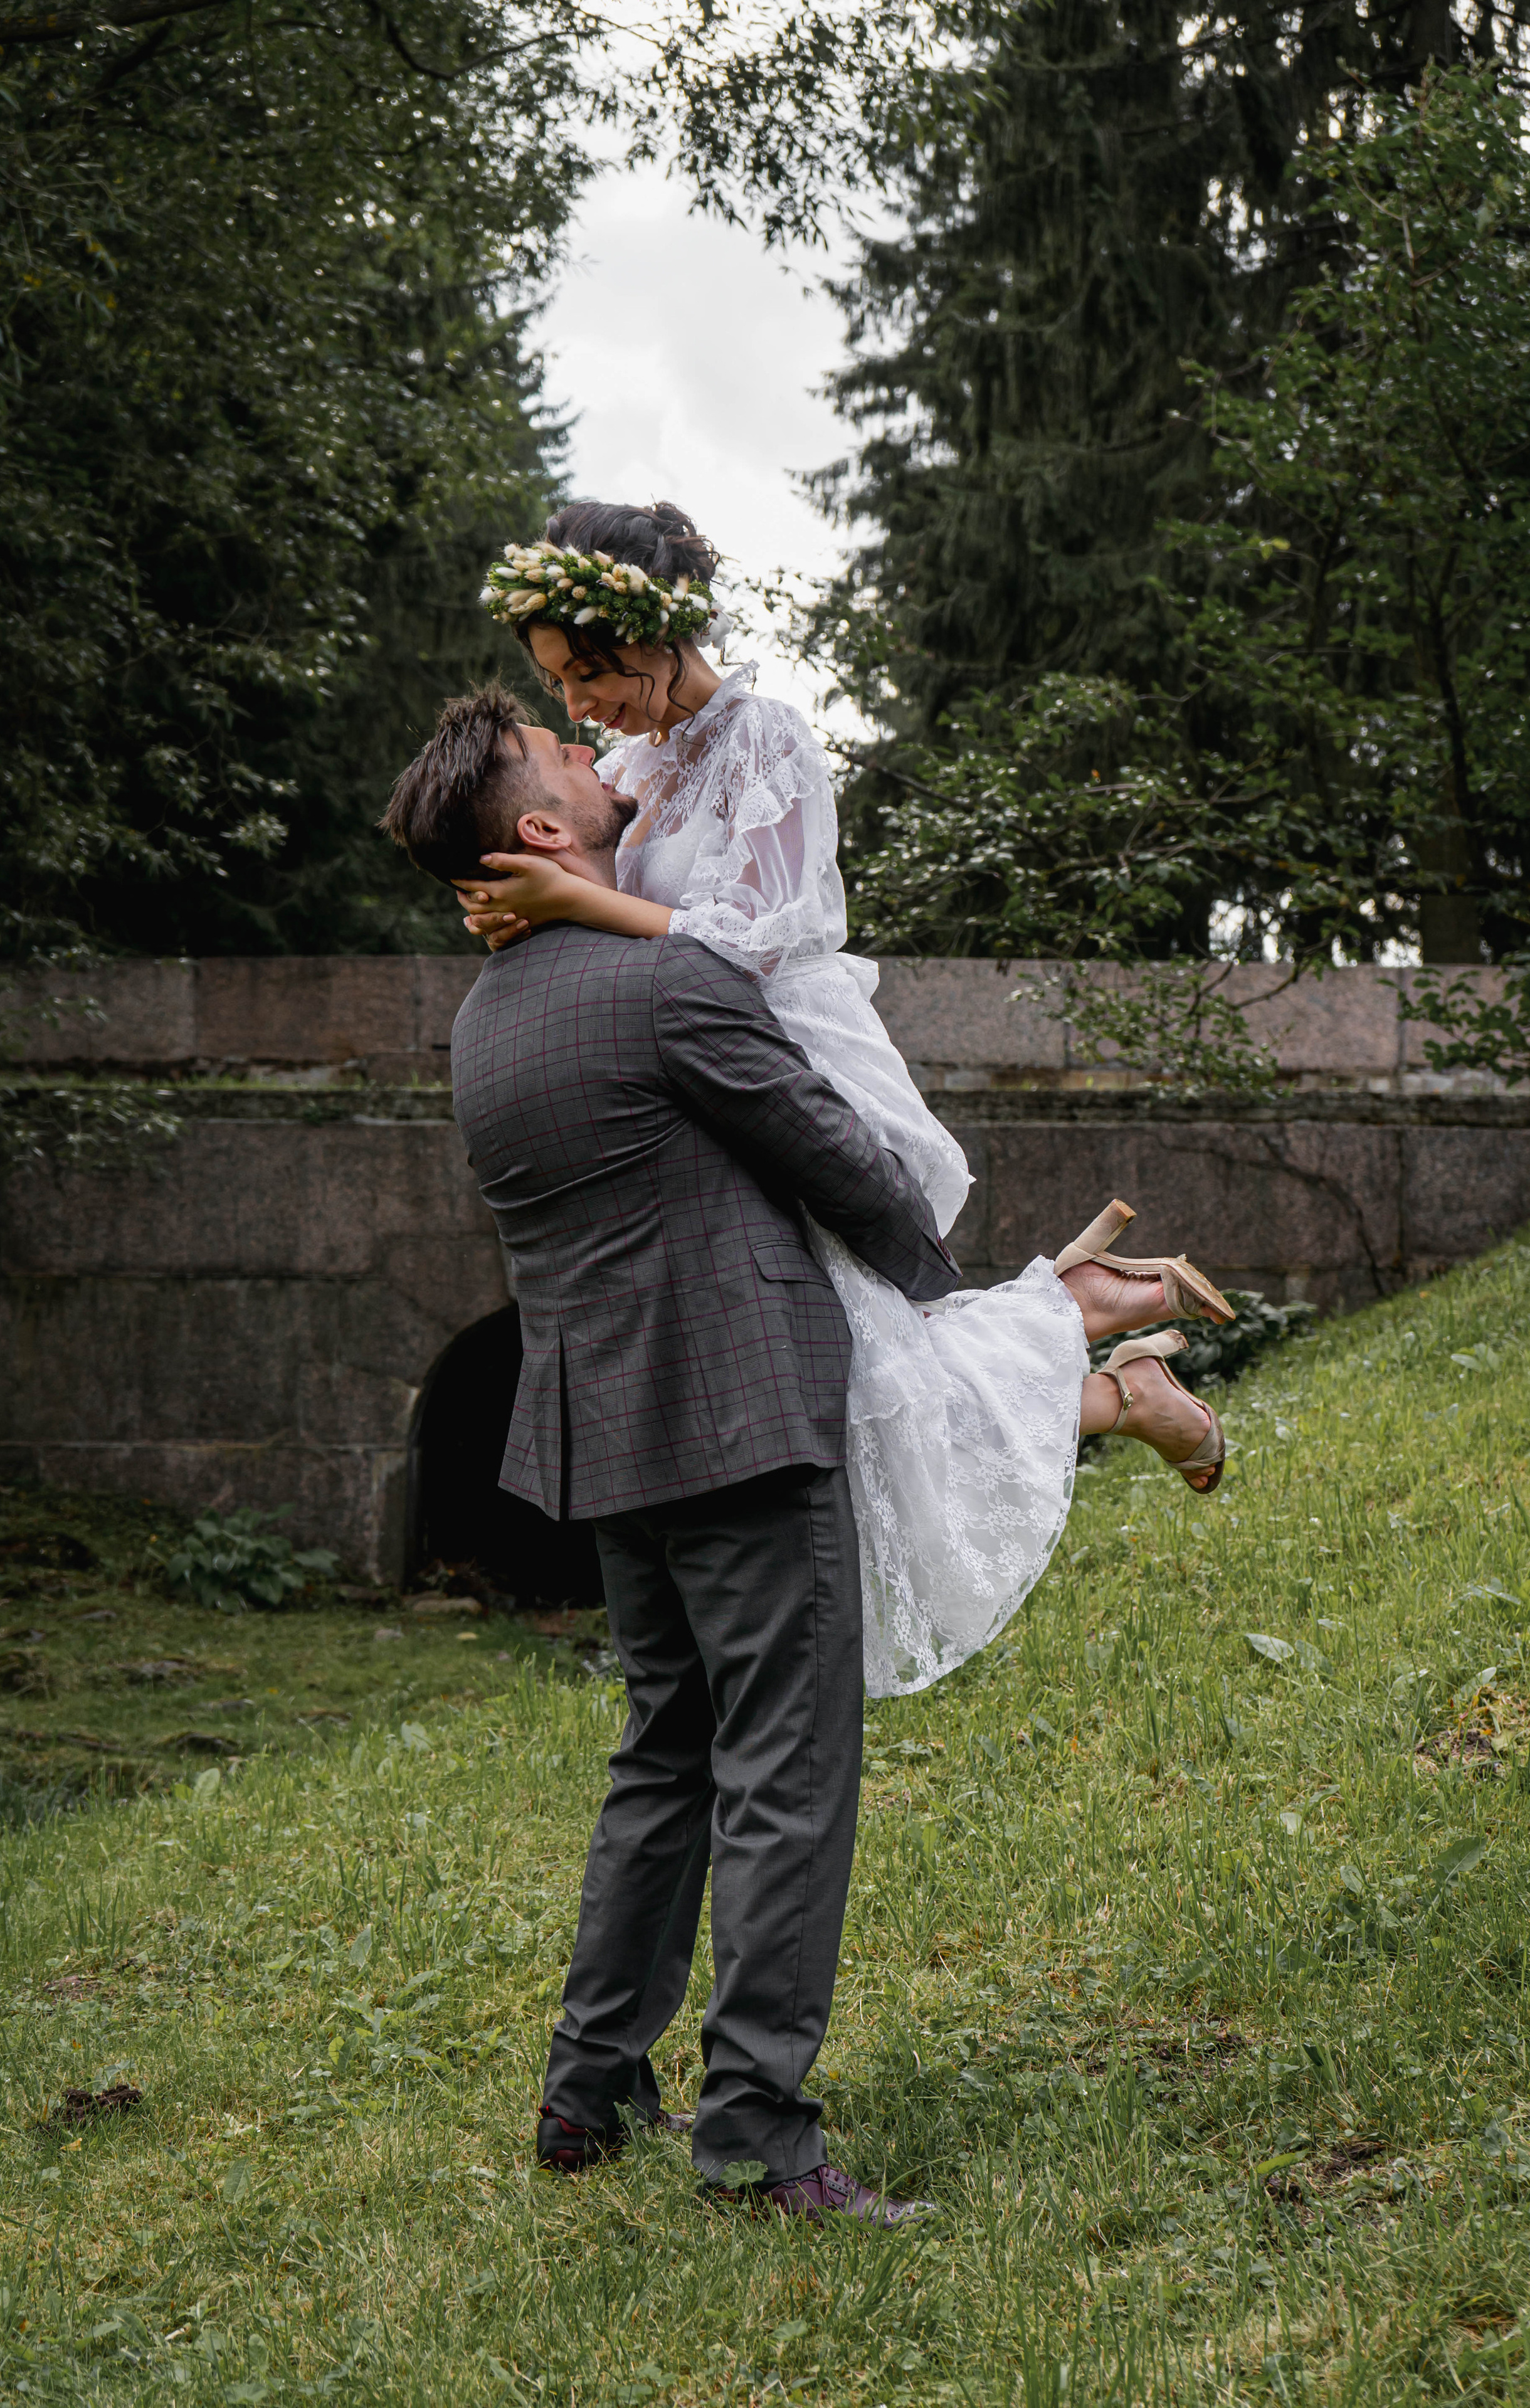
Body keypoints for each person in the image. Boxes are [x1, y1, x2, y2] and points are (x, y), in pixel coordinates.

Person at [458, 502, 1235, 1699]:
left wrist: (581, 906)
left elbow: (761, 940)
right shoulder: (625, 771)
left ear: (657, 636)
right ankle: (1108, 1366)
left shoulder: (763, 737)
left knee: (863, 1381)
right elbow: (584, 883)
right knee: (862, 1380)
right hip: (698, 1092)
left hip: (794, 1062)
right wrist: (519, 906)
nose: (577, 706)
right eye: (556, 682)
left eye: (590, 673)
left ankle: (1094, 1344)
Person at [382, 688, 963, 2222]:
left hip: (605, 1436)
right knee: (783, 1768)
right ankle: (758, 2138)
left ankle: (587, 2093)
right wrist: (951, 1291)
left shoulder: (484, 1022)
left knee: (665, 1753)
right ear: (541, 828)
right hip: (744, 1421)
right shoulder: (665, 982)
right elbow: (833, 1155)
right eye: (566, 755)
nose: (596, 754)